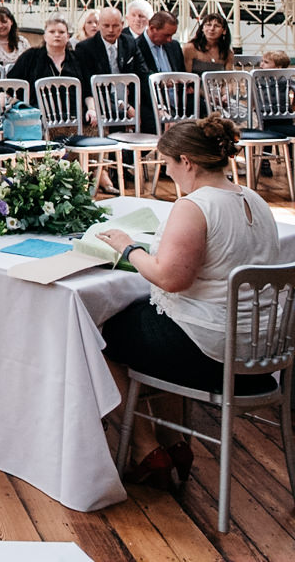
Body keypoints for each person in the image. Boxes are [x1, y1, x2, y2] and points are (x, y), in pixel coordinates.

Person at [94, 117, 282, 487]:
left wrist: (127, 247)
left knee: (98, 334)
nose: (168, 171)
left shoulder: (195, 206)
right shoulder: (255, 200)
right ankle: (175, 440)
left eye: (167, 163)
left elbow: (171, 278)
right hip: (263, 353)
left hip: (217, 353)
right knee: (150, 323)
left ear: (187, 161)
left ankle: (146, 447)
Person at [6, 18, 97, 136]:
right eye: (52, 32)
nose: (57, 35)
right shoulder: (30, 57)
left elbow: (87, 91)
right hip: (39, 115)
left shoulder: (78, 59)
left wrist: (92, 109)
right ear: (44, 36)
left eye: (61, 32)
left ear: (68, 36)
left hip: (74, 115)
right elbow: (10, 86)